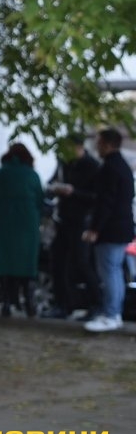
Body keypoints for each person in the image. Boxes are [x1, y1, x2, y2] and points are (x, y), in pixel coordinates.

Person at [82, 127, 135, 333]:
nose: (97, 146)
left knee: (109, 272)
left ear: (107, 144)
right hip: (121, 227)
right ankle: (114, 313)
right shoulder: (122, 167)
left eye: (100, 142)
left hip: (111, 229)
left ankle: (111, 313)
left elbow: (105, 202)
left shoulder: (110, 168)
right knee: (114, 272)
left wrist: (95, 228)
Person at [44, 133, 99, 319]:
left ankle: (95, 303)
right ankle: (62, 303)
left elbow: (96, 197)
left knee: (81, 262)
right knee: (57, 261)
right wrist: (54, 189)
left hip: (81, 220)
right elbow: (52, 182)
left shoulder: (92, 166)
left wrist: (74, 193)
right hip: (63, 219)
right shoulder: (64, 163)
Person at [0, 142, 45, 317]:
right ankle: (29, 303)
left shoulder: (1, 173)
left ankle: (6, 302)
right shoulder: (32, 174)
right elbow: (40, 199)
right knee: (27, 265)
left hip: (5, 221)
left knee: (5, 262)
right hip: (28, 223)